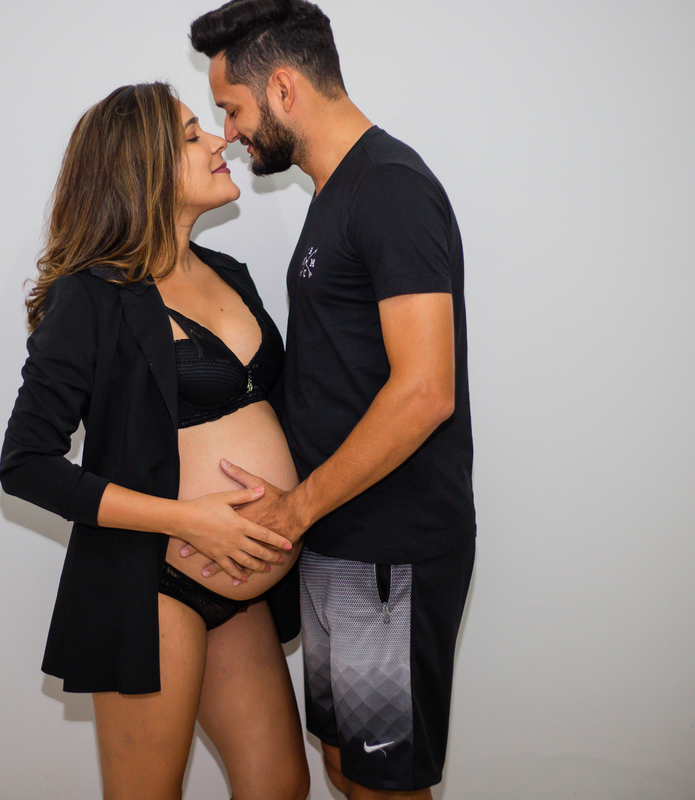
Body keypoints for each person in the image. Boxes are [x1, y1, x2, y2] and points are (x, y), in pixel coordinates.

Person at [186, 2, 477, 798]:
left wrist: (296, 509)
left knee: (385, 785)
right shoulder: (337, 193)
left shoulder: (388, 187)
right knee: (349, 769)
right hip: (338, 542)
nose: (230, 134)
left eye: (232, 109)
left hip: (388, 548)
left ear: (283, 88)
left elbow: (425, 391)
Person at [0, 82, 309, 800]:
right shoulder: (90, 295)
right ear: (141, 166)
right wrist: (187, 521)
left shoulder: (228, 273)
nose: (220, 140)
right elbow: (27, 464)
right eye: (194, 134)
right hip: (150, 582)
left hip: (238, 584)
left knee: (280, 786)